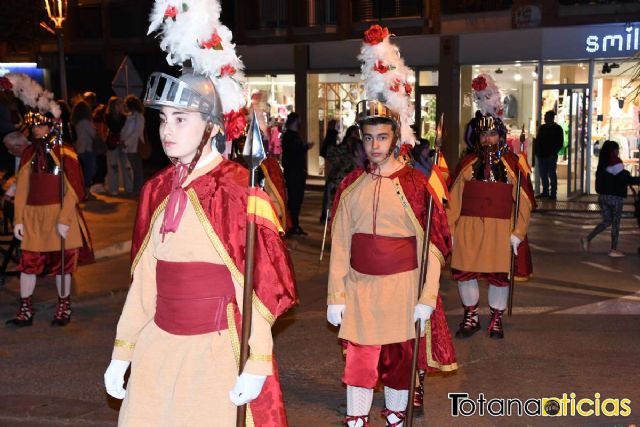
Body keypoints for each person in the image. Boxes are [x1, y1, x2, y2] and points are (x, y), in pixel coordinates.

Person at [103, 2, 296, 425]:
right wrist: (123, 352)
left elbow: (260, 288)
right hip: (157, 348)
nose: (167, 131)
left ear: (211, 127)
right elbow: (144, 283)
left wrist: (257, 360)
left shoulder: (237, 190)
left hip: (215, 351)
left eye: (181, 119)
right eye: (163, 119)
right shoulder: (155, 189)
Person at [327, 25, 456, 427]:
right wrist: (336, 294)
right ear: (361, 141)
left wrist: (427, 295)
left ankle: (397, 416)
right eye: (369, 138)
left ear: (395, 137)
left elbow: (434, 245)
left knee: (400, 359)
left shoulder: (417, 185)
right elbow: (341, 245)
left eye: (382, 137)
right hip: (361, 291)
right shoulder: (350, 187)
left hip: (403, 291)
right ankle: (356, 418)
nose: (375, 146)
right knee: (360, 360)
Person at [2, 73, 93, 327]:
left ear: (50, 126)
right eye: (33, 127)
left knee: (61, 265)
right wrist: (19, 219)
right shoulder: (30, 151)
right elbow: (22, 188)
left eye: (40, 126)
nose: (36, 130)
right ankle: (25, 308)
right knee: (27, 264)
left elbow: (73, 189)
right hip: (32, 216)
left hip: (59, 215)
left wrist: (65, 218)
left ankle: (63, 306)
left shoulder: (65, 153)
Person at [447, 112, 535, 340]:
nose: (488, 139)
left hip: (500, 229)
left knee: (499, 276)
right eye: (484, 134)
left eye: (493, 134)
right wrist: (451, 229)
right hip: (468, 227)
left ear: (501, 136)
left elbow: (524, 202)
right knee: (465, 273)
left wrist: (518, 232)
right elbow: (453, 198)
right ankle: (471, 316)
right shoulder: (466, 163)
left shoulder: (513, 164)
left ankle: (496, 318)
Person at [581, 140, 640, 258]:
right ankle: (613, 249)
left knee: (607, 221)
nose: (618, 152)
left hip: (603, 198)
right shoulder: (617, 165)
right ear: (614, 151)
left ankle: (587, 238)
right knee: (616, 224)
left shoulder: (602, 164)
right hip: (615, 199)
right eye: (617, 149)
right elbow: (627, 179)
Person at [281, 111, 313, 236]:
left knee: (296, 199)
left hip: (296, 171)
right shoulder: (290, 136)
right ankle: (291, 225)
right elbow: (294, 152)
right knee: (295, 199)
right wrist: (305, 147)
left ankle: (293, 224)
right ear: (295, 121)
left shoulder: (291, 135)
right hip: (294, 172)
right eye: (299, 120)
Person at [105, 96, 132, 195]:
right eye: (118, 104)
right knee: (113, 166)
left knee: (126, 166)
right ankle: (113, 188)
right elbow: (114, 128)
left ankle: (128, 187)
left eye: (121, 104)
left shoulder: (124, 116)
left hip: (123, 143)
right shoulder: (108, 116)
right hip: (112, 143)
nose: (121, 106)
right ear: (113, 106)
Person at [534, 110, 564, 200]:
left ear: (552, 118)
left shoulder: (557, 129)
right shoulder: (542, 128)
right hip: (541, 155)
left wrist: (553, 152)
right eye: (545, 117)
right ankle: (545, 192)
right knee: (543, 174)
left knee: (551, 174)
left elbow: (560, 143)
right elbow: (538, 140)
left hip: (551, 155)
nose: (545, 119)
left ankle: (553, 193)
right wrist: (537, 151)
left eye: (546, 117)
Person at [121, 95, 145, 194]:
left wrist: (126, 142)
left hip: (135, 147)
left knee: (137, 169)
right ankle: (135, 189)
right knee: (134, 169)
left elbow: (137, 132)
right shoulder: (130, 116)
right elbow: (125, 131)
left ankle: (138, 190)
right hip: (128, 147)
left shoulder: (139, 117)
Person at [71, 100, 96, 191]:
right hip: (87, 148)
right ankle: (86, 189)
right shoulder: (86, 122)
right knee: (89, 170)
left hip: (79, 147)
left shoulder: (77, 122)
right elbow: (93, 134)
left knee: (82, 171)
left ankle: (82, 188)